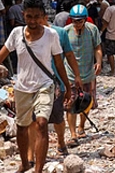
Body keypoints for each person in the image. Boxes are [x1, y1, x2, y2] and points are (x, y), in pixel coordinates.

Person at [0, 0, 71, 173]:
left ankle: (38, 170)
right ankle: (25, 163)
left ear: (43, 16)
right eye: (29, 16)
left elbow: (59, 62)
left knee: (41, 124)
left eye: (37, 17)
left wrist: (68, 87)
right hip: (22, 88)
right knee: (22, 128)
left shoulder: (51, 35)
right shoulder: (16, 33)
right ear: (23, 15)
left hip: (45, 85)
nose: (33, 21)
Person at [26, 19, 83, 161]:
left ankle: (61, 142)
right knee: (34, 121)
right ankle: (32, 154)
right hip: (33, 84)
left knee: (57, 117)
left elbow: (69, 55)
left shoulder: (59, 33)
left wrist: (76, 76)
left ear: (44, 17)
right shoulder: (25, 33)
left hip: (56, 83)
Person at [63, 4, 102, 146]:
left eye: (80, 21)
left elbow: (97, 47)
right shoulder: (65, 32)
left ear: (85, 20)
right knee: (71, 103)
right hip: (70, 74)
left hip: (88, 73)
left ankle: (82, 126)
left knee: (86, 101)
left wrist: (98, 62)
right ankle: (73, 134)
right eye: (74, 21)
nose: (77, 24)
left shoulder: (92, 30)